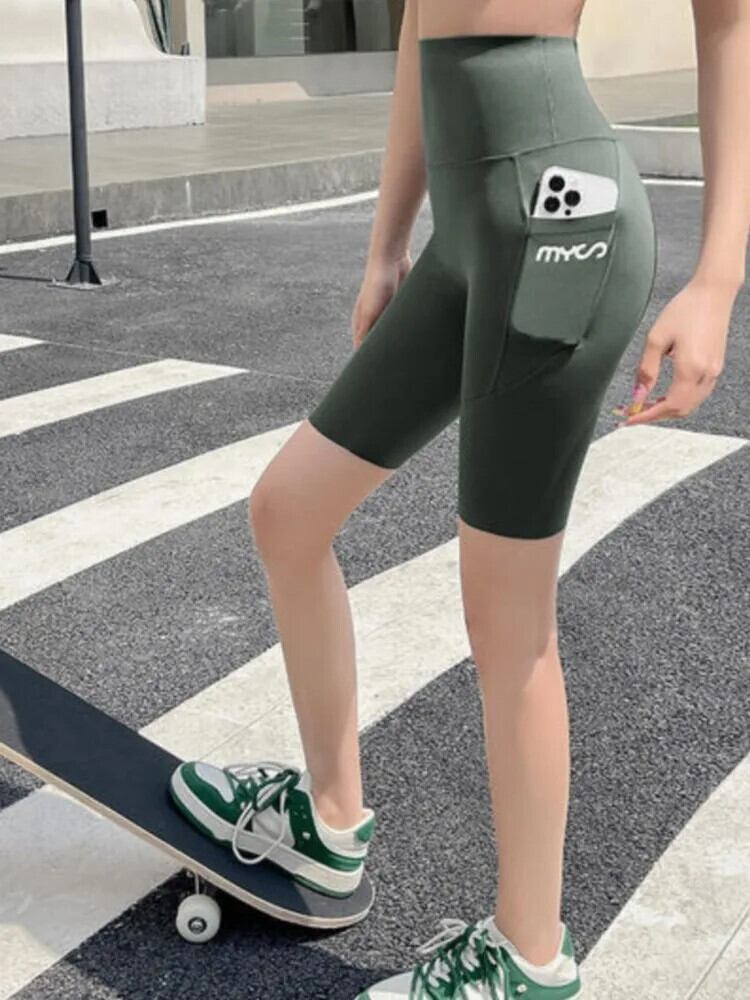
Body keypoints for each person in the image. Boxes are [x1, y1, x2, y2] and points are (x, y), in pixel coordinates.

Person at [169, 1, 746, 996]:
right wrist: (386, 243)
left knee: (506, 615)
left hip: (561, 223)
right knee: (288, 512)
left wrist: (718, 282)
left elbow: (730, 23)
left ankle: (527, 960)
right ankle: (329, 823)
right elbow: (415, 28)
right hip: (470, 238)